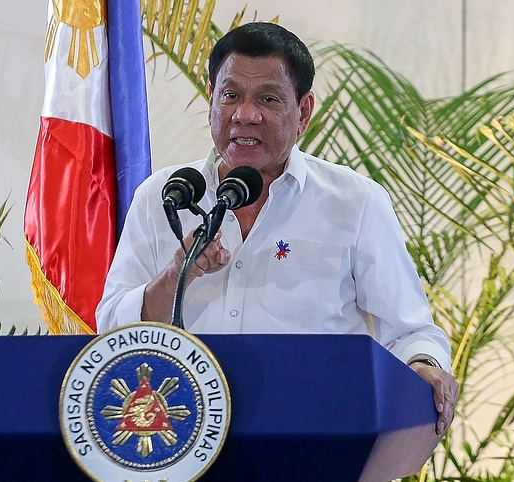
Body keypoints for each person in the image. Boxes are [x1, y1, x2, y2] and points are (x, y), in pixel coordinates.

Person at [96, 22, 458, 436]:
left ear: (304, 112)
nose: (245, 115)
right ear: (211, 100)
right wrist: (179, 272)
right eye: (230, 95)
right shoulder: (164, 196)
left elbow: (410, 330)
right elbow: (111, 331)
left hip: (315, 440)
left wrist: (426, 366)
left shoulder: (354, 202)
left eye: (268, 99)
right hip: (180, 442)